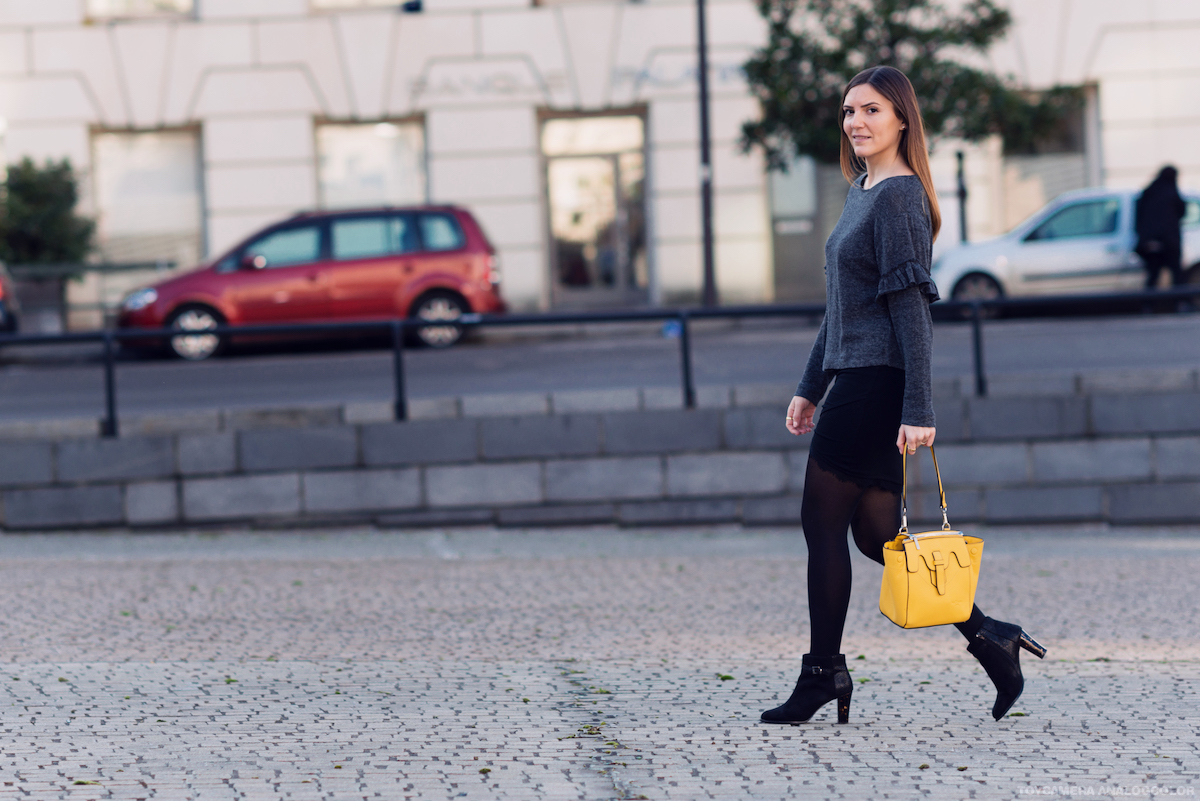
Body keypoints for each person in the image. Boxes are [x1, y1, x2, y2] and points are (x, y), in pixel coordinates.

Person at [760, 65, 1046, 726]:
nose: (856, 121)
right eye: (849, 111)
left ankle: (822, 674)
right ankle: (992, 637)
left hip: (876, 386)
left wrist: (919, 408)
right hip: (856, 380)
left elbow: (912, 310)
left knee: (822, 523)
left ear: (902, 120)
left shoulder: (898, 198)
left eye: (871, 110)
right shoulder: (863, 188)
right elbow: (842, 309)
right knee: (877, 535)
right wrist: (809, 387)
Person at [1135, 166, 1187, 289]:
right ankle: (1178, 303)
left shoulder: (1148, 192)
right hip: (1170, 241)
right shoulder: (1172, 192)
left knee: (1153, 274)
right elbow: (1182, 211)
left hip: (1151, 241)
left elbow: (1138, 217)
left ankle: (1148, 305)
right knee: (1176, 274)